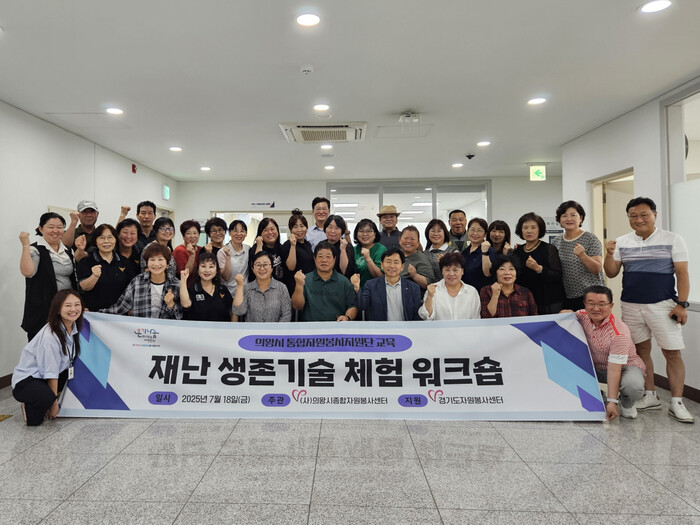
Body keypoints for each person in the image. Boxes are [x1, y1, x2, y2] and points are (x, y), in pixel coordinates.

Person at [604, 196, 693, 423]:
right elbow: (612, 272)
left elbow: (682, 273)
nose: (639, 219)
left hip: (663, 304)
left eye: (644, 215)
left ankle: (677, 402)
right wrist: (609, 253)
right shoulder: (622, 241)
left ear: (654, 214)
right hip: (631, 304)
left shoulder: (672, 239)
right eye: (633, 216)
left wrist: (682, 304)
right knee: (640, 352)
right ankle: (650, 395)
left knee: (672, 353)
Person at [12, 290, 83, 426]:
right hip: (27, 380)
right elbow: (51, 372)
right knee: (38, 417)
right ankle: (28, 404)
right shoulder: (50, 336)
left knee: (77, 377)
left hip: (44, 376)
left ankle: (45, 397)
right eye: (68, 305)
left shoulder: (73, 327)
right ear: (58, 309)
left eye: (77, 304)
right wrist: (53, 404)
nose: (73, 309)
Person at [574, 285, 646, 420]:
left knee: (633, 387)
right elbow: (567, 316)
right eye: (591, 303)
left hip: (623, 367)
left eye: (602, 304)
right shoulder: (582, 316)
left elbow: (614, 369)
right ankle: (599, 396)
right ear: (585, 304)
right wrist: (563, 314)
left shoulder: (619, 333)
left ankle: (625, 400)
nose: (596, 308)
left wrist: (613, 402)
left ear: (611, 305)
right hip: (595, 367)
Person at [19, 212, 77, 341]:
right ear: (41, 229)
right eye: (51, 227)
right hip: (42, 311)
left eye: (60, 227)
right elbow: (28, 272)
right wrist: (25, 245)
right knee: (41, 348)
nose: (55, 231)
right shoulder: (35, 249)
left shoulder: (68, 250)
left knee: (65, 347)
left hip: (66, 310)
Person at [102, 243, 182, 319]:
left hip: (164, 329)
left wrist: (171, 305)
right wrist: (96, 315)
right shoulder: (137, 281)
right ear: (147, 263)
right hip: (141, 328)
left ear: (167, 263)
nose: (156, 264)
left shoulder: (175, 284)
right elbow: (120, 307)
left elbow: (180, 317)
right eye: (152, 260)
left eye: (160, 259)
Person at [551, 200, 605, 311]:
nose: (568, 219)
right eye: (564, 216)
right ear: (559, 220)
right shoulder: (557, 241)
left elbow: (597, 268)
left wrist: (582, 255)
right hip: (567, 296)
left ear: (580, 218)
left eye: (573, 215)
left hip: (591, 295)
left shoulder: (590, 239)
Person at [512, 212, 564, 314]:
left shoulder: (549, 249)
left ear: (540, 230)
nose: (529, 231)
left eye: (533, 227)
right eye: (525, 227)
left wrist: (539, 269)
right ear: (520, 230)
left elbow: (557, 275)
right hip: (524, 301)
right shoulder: (517, 251)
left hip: (547, 300)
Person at [291, 241, 358, 322]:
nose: (324, 260)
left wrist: (347, 317)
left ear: (334, 259)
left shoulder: (344, 282)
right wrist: (299, 285)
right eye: (320, 256)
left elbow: (353, 306)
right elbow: (297, 306)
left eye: (328, 257)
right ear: (314, 259)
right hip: (310, 327)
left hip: (337, 326)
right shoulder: (305, 279)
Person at [77, 224, 136, 311]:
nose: (106, 241)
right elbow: (84, 287)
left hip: (120, 313)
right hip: (94, 313)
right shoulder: (87, 261)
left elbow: (132, 289)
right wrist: (94, 276)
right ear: (95, 241)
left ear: (115, 239)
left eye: (110, 237)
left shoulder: (125, 262)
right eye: (101, 238)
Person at [352, 248, 421, 321]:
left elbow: (416, 314)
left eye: (396, 262)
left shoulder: (413, 287)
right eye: (388, 262)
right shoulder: (371, 285)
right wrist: (357, 289)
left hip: (405, 327)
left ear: (402, 267)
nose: (392, 266)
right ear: (382, 265)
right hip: (380, 327)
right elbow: (362, 306)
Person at [419, 252, 480, 320]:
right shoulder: (433, 289)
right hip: (439, 327)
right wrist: (429, 297)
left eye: (455, 270)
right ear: (442, 271)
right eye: (447, 270)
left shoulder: (471, 292)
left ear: (462, 271)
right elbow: (426, 317)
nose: (451, 274)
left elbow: (476, 319)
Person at [233, 252, 292, 322]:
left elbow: (286, 315)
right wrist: (239, 286)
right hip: (251, 329)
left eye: (265, 265)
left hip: (276, 328)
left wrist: (276, 328)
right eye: (258, 265)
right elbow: (238, 312)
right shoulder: (247, 289)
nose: (262, 268)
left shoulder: (281, 288)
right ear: (253, 269)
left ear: (272, 268)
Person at [180, 252, 233, 322]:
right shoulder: (193, 290)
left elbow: (231, 311)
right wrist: (183, 280)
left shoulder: (223, 289)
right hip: (198, 328)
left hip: (222, 328)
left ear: (216, 270)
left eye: (211, 267)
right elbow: (186, 305)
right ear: (198, 270)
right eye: (203, 266)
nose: (207, 270)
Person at [281, 209, 315, 297]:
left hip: (309, 286)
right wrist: (293, 245)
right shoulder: (287, 245)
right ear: (291, 230)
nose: (299, 230)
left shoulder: (307, 244)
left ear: (306, 227)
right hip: (294, 288)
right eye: (295, 227)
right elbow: (291, 267)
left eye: (302, 226)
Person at [461, 217, 495, 291]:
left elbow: (488, 273)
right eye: (472, 230)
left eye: (479, 230)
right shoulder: (465, 252)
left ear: (485, 234)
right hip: (466, 292)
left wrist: (485, 252)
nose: (475, 233)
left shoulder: (489, 250)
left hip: (482, 293)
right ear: (468, 232)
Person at [218, 220, 250, 298]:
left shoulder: (248, 249)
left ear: (246, 234)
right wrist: (228, 257)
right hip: (228, 294)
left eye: (242, 231)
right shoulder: (222, 252)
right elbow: (226, 277)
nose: (239, 234)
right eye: (235, 231)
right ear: (230, 233)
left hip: (245, 294)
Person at [353, 218, 386, 290]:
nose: (365, 234)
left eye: (369, 231)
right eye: (361, 231)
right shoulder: (354, 249)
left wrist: (368, 259)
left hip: (375, 291)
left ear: (375, 234)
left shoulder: (380, 249)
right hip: (357, 290)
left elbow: (380, 277)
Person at [249, 217, 284, 282]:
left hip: (280, 286)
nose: (270, 232)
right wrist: (259, 245)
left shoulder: (282, 248)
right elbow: (256, 266)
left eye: (272, 229)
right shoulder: (255, 249)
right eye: (265, 230)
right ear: (260, 233)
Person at [172, 220, 201, 288]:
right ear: (183, 236)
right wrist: (192, 255)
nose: (192, 236)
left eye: (195, 233)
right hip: (185, 288)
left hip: (198, 287)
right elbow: (185, 274)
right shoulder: (179, 250)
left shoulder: (201, 249)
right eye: (188, 233)